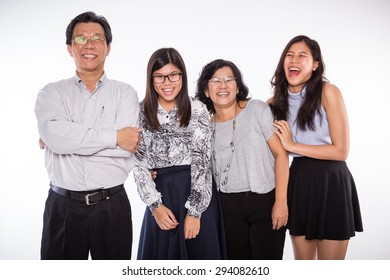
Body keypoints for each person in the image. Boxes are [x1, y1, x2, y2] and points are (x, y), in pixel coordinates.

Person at [34, 11, 141, 260]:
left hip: (112, 204)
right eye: (80, 39)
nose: (89, 45)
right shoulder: (51, 93)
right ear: (70, 48)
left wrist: (70, 138)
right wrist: (114, 136)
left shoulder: (125, 93)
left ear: (108, 47)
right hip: (63, 206)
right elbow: (56, 137)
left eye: (97, 38)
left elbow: (129, 145)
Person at [268, 35, 363, 260]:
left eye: (303, 56)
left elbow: (341, 151)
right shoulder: (274, 103)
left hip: (332, 181)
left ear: (315, 64)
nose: (294, 60)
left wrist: (293, 145)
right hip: (299, 181)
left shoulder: (328, 92)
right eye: (289, 55)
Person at [133, 48, 227, 260]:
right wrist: (155, 206)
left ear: (182, 76)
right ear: (151, 79)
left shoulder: (197, 109)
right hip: (161, 196)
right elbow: (138, 163)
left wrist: (194, 212)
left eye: (173, 75)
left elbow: (202, 161)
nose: (167, 82)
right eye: (159, 76)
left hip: (197, 193)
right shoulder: (139, 111)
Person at [195, 59, 289, 260]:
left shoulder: (257, 110)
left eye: (229, 79)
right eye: (215, 81)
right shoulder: (204, 128)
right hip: (227, 206)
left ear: (238, 86)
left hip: (265, 201)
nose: (223, 85)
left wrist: (281, 201)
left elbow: (281, 154)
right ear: (205, 90)